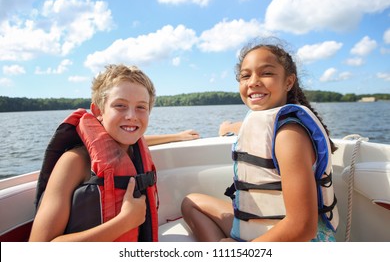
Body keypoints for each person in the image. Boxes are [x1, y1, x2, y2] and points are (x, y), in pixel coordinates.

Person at [181, 38, 339, 242]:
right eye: (245, 76)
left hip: (292, 241)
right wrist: (228, 128)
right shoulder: (265, 121)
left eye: (266, 73)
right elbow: (250, 128)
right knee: (191, 203)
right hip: (259, 230)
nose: (253, 81)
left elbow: (302, 227)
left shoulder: (289, 136)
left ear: (288, 82)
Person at [29, 64, 160, 242]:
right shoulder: (74, 162)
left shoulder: (135, 152)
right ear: (98, 111)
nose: (131, 116)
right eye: (120, 105)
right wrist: (125, 222)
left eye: (141, 107)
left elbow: (142, 138)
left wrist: (179, 136)